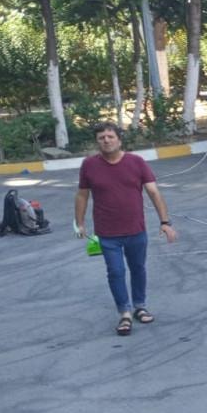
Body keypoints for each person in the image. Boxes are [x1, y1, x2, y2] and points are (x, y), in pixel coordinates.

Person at [75, 122, 178, 336]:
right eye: (101, 137)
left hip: (135, 230)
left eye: (110, 136)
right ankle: (124, 313)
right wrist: (80, 223)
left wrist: (165, 222)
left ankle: (140, 306)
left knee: (138, 268)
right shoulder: (89, 165)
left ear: (119, 140)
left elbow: (154, 192)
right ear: (97, 142)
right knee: (115, 272)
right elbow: (82, 195)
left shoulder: (136, 162)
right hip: (106, 232)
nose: (106, 140)